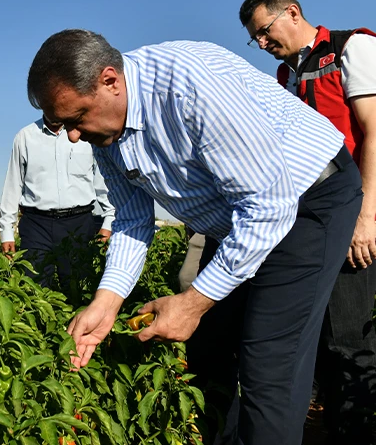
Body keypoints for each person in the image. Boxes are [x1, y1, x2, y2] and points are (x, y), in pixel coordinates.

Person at [28, 30, 362, 444]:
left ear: (110, 80)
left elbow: (269, 206)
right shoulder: (104, 128)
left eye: (76, 119)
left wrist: (193, 302)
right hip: (239, 217)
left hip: (306, 199)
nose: (73, 136)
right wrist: (106, 302)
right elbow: (133, 218)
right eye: (63, 125)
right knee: (209, 350)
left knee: (269, 363)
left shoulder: (188, 85)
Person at [239, 0, 376, 442]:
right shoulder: (287, 74)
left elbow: (373, 132)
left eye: (265, 31)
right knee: (315, 337)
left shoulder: (351, 49)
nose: (261, 44)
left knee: (350, 337)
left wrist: (367, 216)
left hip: (353, 212)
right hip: (310, 217)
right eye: (254, 37)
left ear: (292, 13)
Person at [0, 117, 115, 289]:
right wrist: (6, 231)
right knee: (34, 288)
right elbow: (13, 184)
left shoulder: (87, 135)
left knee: (79, 287)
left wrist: (109, 220)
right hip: (37, 225)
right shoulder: (25, 137)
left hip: (78, 224)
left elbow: (102, 182)